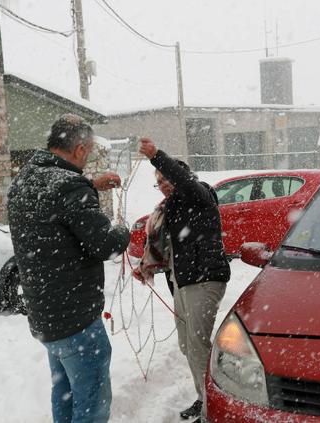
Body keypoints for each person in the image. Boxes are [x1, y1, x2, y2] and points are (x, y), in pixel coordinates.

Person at [7, 114, 130, 423]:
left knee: (65, 396)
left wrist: (89, 185)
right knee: (91, 407)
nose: (87, 158)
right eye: (87, 153)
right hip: (78, 322)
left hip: (47, 317)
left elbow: (53, 201)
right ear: (78, 150)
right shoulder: (71, 188)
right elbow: (106, 245)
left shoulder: (25, 178)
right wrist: (122, 228)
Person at [136, 138, 230, 422]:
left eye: (167, 177)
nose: (164, 183)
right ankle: (205, 397)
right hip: (182, 281)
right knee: (187, 345)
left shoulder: (200, 193)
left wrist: (156, 156)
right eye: (159, 181)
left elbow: (184, 182)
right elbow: (165, 247)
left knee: (198, 344)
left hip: (204, 279)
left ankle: (212, 409)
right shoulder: (171, 209)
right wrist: (146, 266)